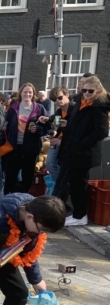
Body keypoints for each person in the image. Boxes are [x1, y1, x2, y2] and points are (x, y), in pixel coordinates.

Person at [56, 75, 110, 226]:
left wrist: (82, 143)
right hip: (74, 150)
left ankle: (80, 215)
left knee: (78, 183)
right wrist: (67, 124)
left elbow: (102, 132)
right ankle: (77, 213)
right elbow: (79, 124)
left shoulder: (99, 108)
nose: (86, 93)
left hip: (84, 152)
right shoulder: (81, 102)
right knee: (73, 182)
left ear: (98, 91)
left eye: (90, 91)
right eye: (83, 90)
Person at [2, 83, 48, 195]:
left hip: (31, 147)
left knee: (28, 175)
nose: (27, 94)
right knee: (11, 174)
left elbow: (47, 126)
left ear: (33, 94)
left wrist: (37, 129)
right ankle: (8, 196)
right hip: (14, 146)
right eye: (25, 92)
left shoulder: (39, 108)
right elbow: (5, 124)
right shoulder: (13, 108)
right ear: (20, 93)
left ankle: (24, 197)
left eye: (30, 92)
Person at [38, 86, 71, 191]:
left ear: (67, 95)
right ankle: (61, 186)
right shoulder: (60, 111)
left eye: (60, 98)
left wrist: (62, 141)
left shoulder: (74, 110)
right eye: (54, 100)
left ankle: (63, 187)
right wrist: (47, 119)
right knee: (49, 163)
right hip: (57, 140)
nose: (57, 101)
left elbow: (77, 128)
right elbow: (54, 117)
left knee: (62, 167)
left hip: (68, 143)